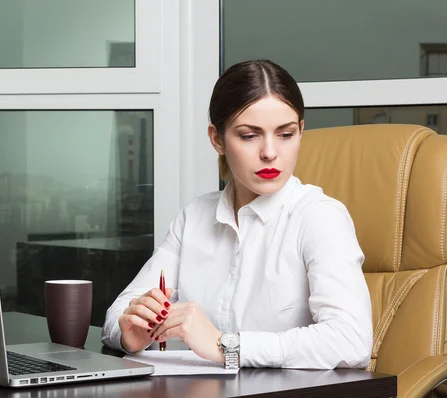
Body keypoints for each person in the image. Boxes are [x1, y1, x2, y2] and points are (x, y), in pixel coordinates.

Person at [101, 59, 373, 370]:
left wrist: (226, 346)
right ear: (217, 139)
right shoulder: (195, 215)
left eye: (285, 134)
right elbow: (119, 311)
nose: (270, 152)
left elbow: (352, 340)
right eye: (249, 135)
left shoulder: (320, 217)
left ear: (300, 132)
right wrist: (129, 333)